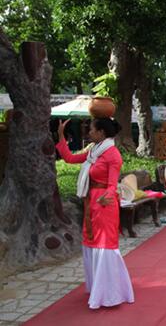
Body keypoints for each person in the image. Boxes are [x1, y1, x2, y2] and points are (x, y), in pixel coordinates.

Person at [56, 118, 134, 310]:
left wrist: (106, 197)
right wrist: (60, 136)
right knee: (92, 243)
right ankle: (98, 288)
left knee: (105, 246)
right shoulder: (93, 151)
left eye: (91, 129)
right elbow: (69, 158)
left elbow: (112, 184)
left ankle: (110, 294)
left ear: (101, 132)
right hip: (91, 202)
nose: (88, 132)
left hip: (105, 205)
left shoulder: (113, 154)